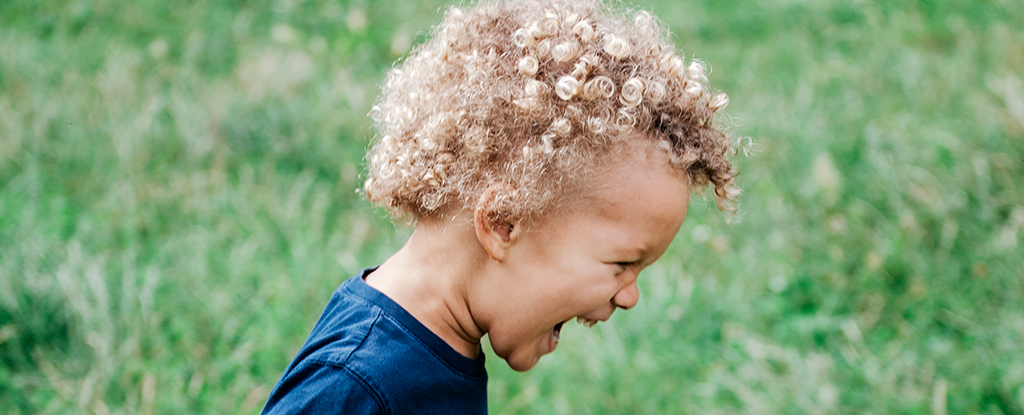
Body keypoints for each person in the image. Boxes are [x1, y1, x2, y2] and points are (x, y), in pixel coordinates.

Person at [262, 0, 739, 413]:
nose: (629, 296)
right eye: (622, 263)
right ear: (504, 223)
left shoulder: (443, 345)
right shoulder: (352, 385)